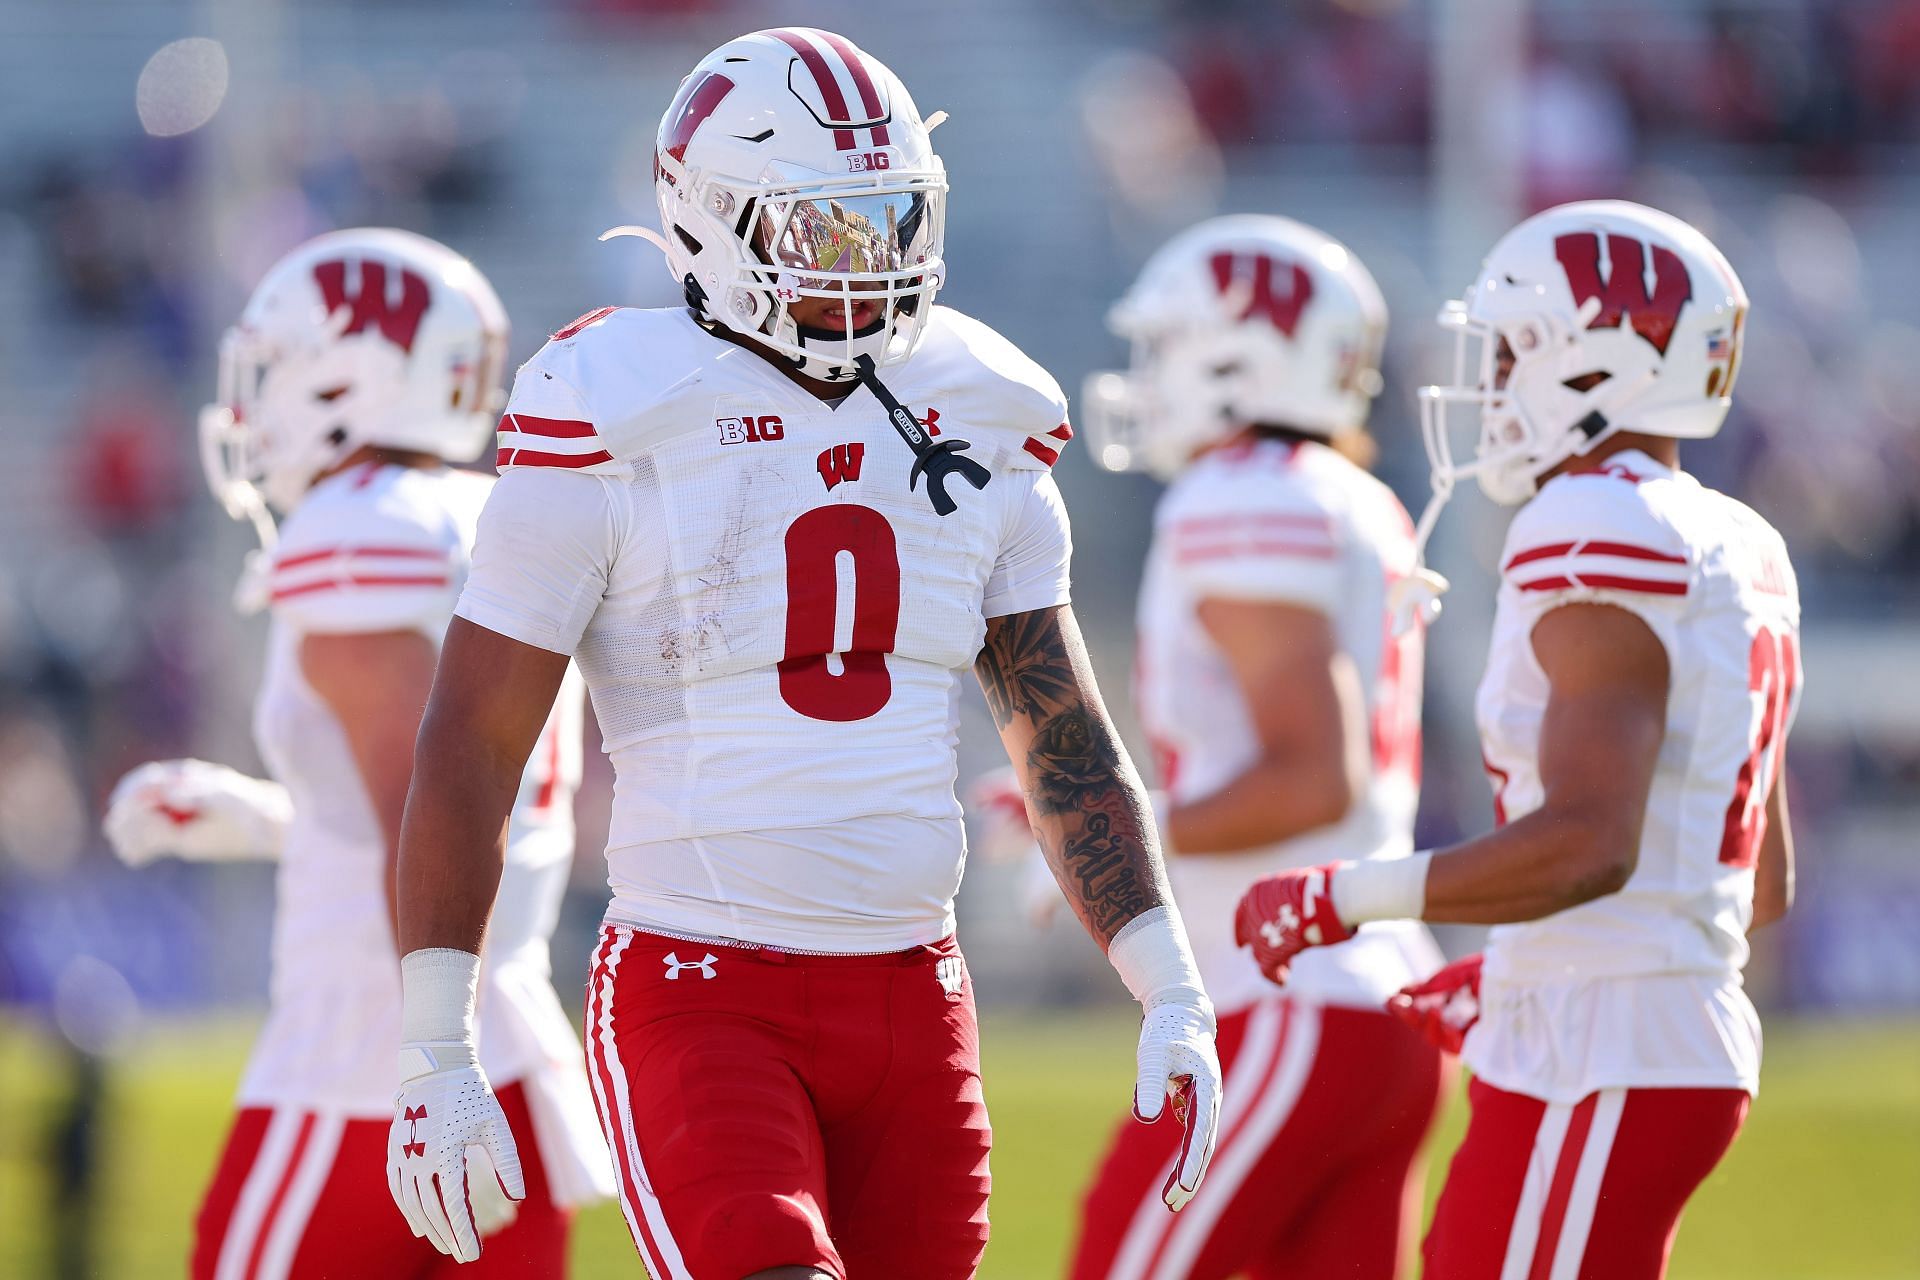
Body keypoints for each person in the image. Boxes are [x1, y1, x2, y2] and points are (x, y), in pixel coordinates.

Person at [378, 28, 1223, 1280]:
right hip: (700, 983)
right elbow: (474, 738)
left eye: (890, 221)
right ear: (715, 225)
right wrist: (432, 1047)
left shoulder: (977, 408)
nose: (872, 263)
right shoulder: (614, 402)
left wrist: (1169, 980)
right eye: (828, 229)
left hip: (916, 993)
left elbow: (1059, 730)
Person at [1234, 200, 1799, 1279]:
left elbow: (1593, 841)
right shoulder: (1738, 537)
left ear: (1595, 366)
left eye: (1508, 352)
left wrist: (1347, 895)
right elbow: (1754, 881)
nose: (1487, 383)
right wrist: (1520, 967)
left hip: (1608, 1050)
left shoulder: (1594, 525)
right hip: (1642, 1035)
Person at [104, 228, 611, 1279]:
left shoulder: (353, 529)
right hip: (504, 1048)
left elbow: (417, 794)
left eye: (279, 370)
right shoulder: (494, 514)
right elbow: (455, 798)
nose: (256, 405)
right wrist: (270, 816)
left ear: (349, 377)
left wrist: (428, 1053)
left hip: (374, 1061)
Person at [1061, 215, 1445, 1278]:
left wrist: (1103, 840)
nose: (1150, 374)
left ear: (1241, 356)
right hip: (1369, 997)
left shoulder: (1241, 495)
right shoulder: (1347, 495)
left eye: (1170, 346)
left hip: (1289, 999)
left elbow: (1314, 777)